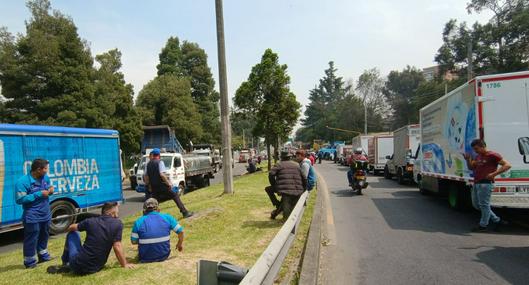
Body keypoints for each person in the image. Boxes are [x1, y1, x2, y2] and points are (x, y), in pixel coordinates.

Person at [47, 202, 134, 274]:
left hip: (78, 265)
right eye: (116, 213)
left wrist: (72, 227)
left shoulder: (90, 221)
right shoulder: (118, 224)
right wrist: (124, 264)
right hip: (97, 267)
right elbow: (117, 246)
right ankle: (67, 263)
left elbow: (71, 227)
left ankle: (65, 262)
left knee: (73, 233)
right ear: (111, 213)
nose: (117, 215)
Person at [464, 139, 511, 232]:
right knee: (477, 205)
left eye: (476, 148)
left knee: (484, 205)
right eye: (474, 149)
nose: (475, 151)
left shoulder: (493, 155)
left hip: (485, 183)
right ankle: (497, 220)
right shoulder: (478, 157)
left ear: (483, 146)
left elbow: (507, 165)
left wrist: (493, 174)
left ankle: (483, 226)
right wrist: (468, 159)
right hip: (477, 183)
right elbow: (471, 167)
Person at [16, 158, 54, 268]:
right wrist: (38, 194)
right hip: (32, 216)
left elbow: (49, 186)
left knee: (45, 235)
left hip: (45, 214)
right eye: (45, 169)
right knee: (32, 238)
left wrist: (51, 189)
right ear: (38, 169)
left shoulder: (45, 178)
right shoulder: (22, 182)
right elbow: (20, 200)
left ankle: (43, 255)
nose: (47, 171)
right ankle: (30, 261)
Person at [144, 148, 193, 218]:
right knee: (175, 195)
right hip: (161, 185)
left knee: (154, 202)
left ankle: (150, 217)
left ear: (153, 155)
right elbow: (162, 175)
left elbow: (146, 176)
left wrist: (149, 186)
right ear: (159, 155)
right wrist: (169, 183)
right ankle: (184, 212)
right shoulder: (160, 162)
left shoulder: (148, 164)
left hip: (153, 187)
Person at [131, 198, 184, 263]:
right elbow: (181, 231)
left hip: (145, 257)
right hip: (164, 256)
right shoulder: (167, 217)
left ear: (144, 210)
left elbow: (133, 241)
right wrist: (179, 243)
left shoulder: (138, 221)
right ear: (158, 209)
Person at [265, 151, 307, 219]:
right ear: (290, 157)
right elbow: (304, 178)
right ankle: (278, 206)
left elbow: (271, 174)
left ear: (281, 158)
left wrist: (274, 185)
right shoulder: (297, 165)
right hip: (297, 189)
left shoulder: (279, 164)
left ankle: (277, 204)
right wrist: (303, 189)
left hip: (284, 189)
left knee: (268, 189)